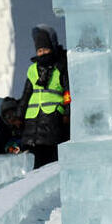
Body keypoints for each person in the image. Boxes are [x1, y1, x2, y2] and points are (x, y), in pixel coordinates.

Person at [16, 25, 70, 168]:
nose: (43, 53)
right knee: (32, 158)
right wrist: (19, 116)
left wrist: (67, 112)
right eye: (40, 50)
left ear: (52, 48)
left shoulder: (60, 66)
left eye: (46, 49)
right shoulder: (33, 69)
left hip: (52, 120)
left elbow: (67, 93)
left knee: (49, 159)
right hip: (32, 121)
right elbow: (26, 95)